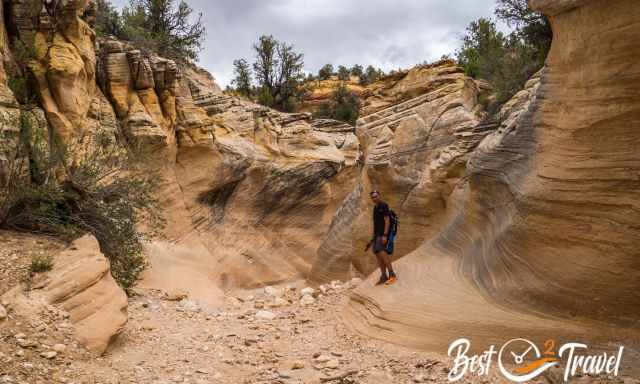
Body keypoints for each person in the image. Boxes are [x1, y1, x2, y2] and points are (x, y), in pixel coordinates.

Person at [365, 190, 397, 285]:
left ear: (379, 196)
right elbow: (376, 224)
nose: (374, 198)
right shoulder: (375, 208)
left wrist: (385, 235)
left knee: (383, 254)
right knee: (378, 256)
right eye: (373, 197)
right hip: (377, 235)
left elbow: (387, 221)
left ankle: (392, 275)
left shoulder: (383, 205)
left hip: (382, 235)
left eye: (376, 196)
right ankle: (383, 276)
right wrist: (372, 239)